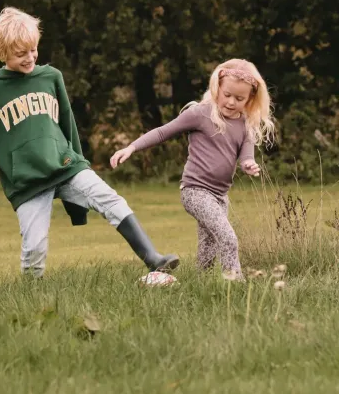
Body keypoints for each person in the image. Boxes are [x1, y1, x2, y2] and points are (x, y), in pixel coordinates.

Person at [0, 7, 179, 277]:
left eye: (33, 50)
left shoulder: (51, 77)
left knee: (112, 200)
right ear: (2, 52)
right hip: (27, 182)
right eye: (20, 53)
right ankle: (32, 294)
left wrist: (80, 160)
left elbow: (67, 123)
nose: (30, 58)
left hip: (66, 166)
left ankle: (153, 258)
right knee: (34, 249)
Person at [110, 59, 275, 280]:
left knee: (208, 250)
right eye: (227, 95)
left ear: (250, 99)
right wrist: (131, 147)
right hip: (195, 191)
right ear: (217, 88)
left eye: (239, 98)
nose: (231, 102)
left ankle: (202, 285)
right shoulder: (200, 113)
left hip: (220, 196)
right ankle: (236, 285)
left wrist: (248, 165)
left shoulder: (245, 125)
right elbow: (162, 132)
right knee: (227, 238)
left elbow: (246, 156)